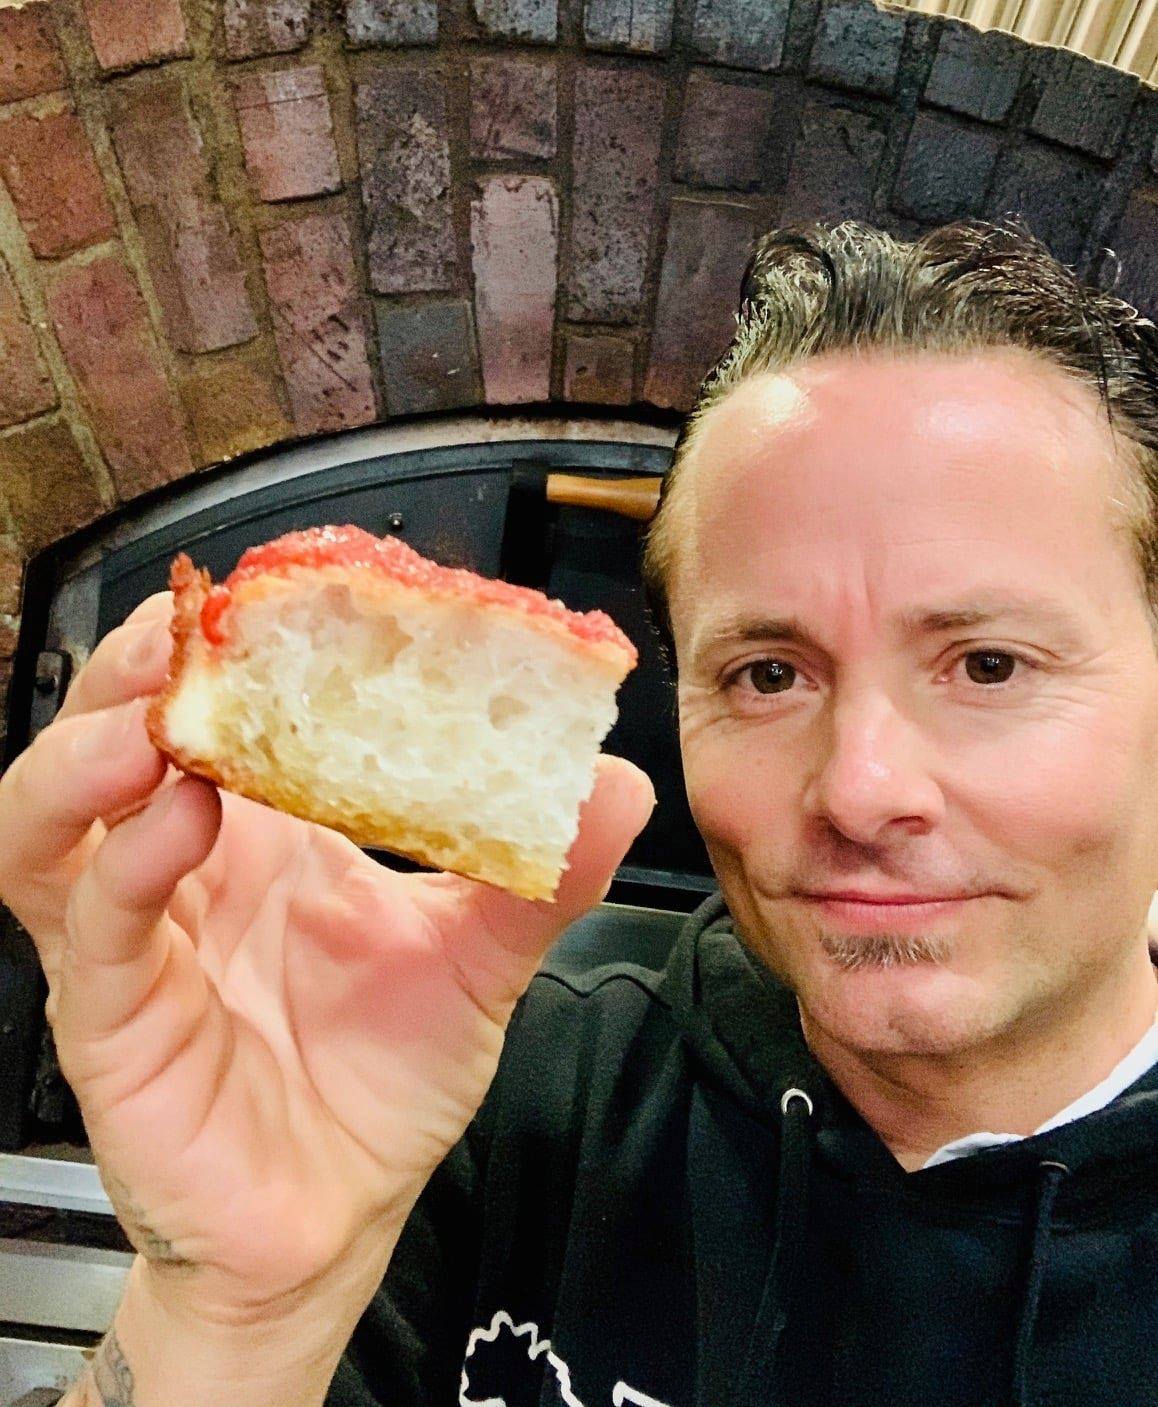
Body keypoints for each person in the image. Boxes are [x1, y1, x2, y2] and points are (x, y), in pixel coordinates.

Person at [1, 214, 1156, 1407]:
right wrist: (233, 1315)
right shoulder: (466, 1075)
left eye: (990, 667)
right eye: (768, 674)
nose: (861, 792)